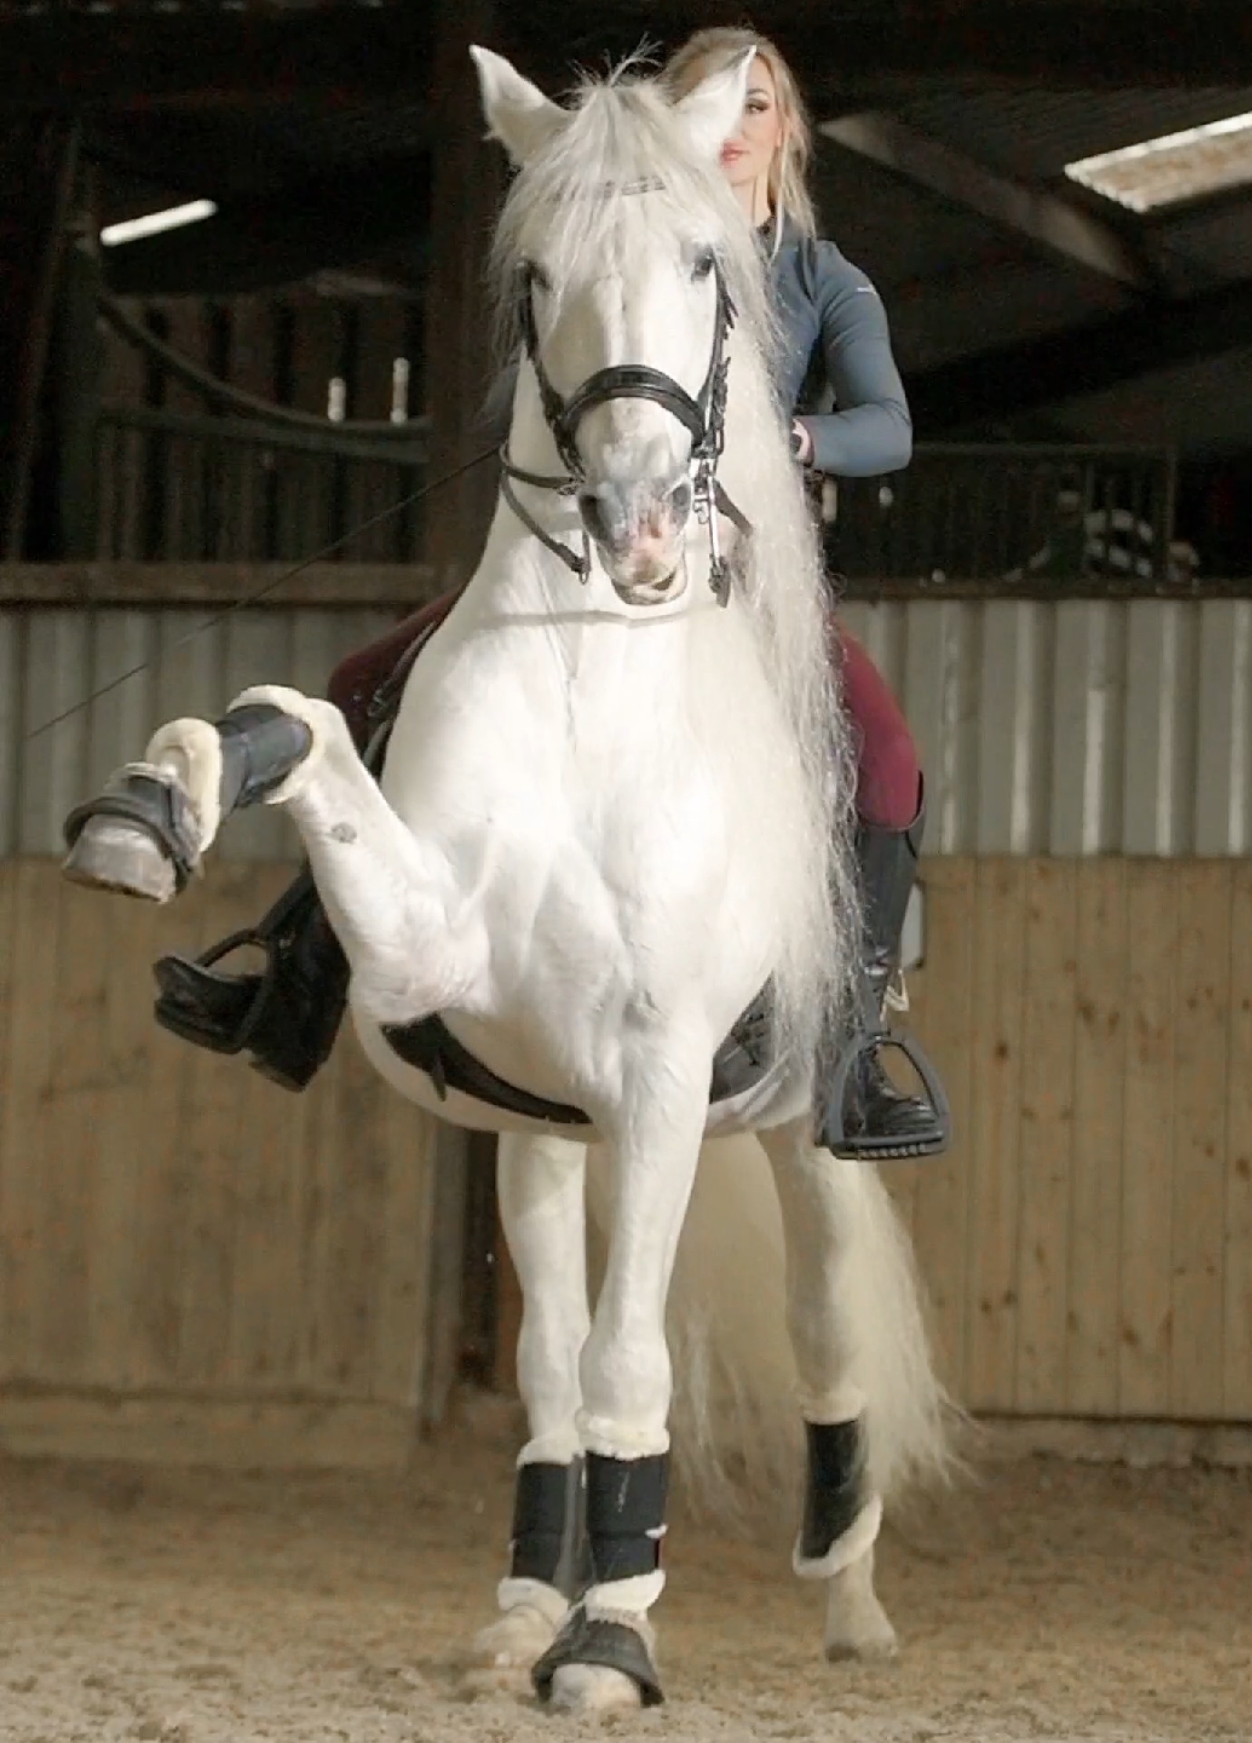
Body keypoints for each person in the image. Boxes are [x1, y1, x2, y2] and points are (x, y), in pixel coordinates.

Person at [154, 28, 948, 1161]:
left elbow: (891, 428)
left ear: (782, 131)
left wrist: (789, 436)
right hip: (574, 550)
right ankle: (299, 973)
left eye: (753, 107)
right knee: (362, 684)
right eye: (704, 105)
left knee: (884, 759)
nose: (726, 129)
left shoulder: (819, 279)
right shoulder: (619, 243)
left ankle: (857, 1043)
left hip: (740, 566)